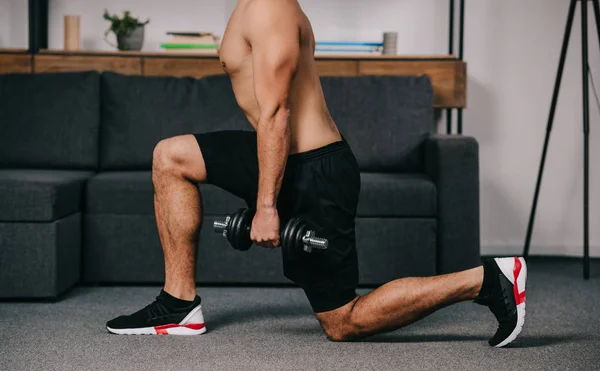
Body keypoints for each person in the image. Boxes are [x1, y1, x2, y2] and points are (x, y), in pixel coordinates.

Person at [106, 0, 527, 347]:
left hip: (316, 170)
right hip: (276, 155)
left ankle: (488, 279)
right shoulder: (248, 5)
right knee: (171, 157)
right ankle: (178, 304)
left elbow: (276, 112)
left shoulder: (271, 9)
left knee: (343, 322)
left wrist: (266, 206)